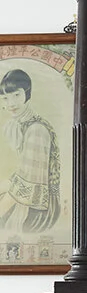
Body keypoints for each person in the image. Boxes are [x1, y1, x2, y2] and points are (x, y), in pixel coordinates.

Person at [0, 67, 60, 233]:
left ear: (27, 93)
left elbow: (29, 184)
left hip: (38, 209)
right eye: (4, 98)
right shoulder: (18, 125)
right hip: (25, 194)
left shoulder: (36, 130)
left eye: (16, 95)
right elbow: (21, 174)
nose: (10, 103)